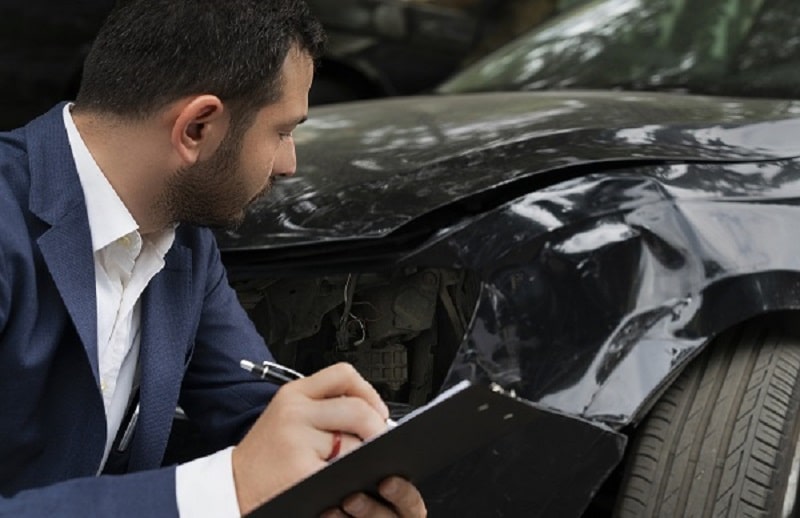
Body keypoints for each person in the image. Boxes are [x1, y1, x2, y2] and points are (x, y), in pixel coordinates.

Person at [0, 0, 427, 516]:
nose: (290, 165)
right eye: (283, 131)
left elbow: (249, 401)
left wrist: (347, 473)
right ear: (198, 127)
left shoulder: (184, 240)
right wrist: (229, 486)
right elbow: (243, 474)